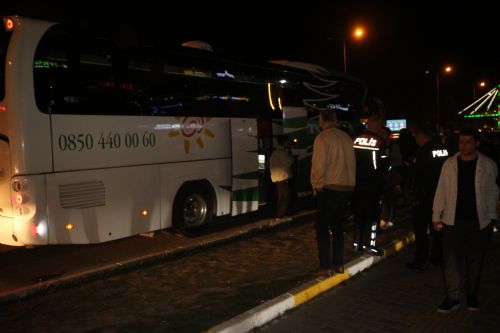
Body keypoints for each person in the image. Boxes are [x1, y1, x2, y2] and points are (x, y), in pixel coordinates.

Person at [432, 127, 498, 313]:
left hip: (480, 221)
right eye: (461, 142)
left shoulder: (488, 165)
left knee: (475, 260)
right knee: (451, 260)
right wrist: (436, 215)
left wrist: (492, 216)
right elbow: (441, 190)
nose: (464, 145)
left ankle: (471, 294)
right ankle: (453, 297)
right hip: (452, 220)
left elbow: (493, 192)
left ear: (477, 143)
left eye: (468, 142)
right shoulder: (449, 164)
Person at [310, 109, 355, 276]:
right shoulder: (346, 138)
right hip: (346, 188)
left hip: (330, 188)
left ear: (321, 121)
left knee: (321, 227)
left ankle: (325, 266)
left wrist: (317, 185)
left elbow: (319, 165)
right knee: (337, 227)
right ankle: (339, 264)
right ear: (335, 119)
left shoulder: (323, 138)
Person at [405, 126, 448, 270]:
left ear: (421, 136)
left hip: (424, 195)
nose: (415, 140)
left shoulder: (422, 152)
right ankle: (438, 257)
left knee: (421, 229)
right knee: (438, 227)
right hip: (441, 194)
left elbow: (415, 173)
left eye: (416, 137)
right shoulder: (443, 149)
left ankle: (421, 259)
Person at [352, 114, 389, 256]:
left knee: (359, 214)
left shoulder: (356, 139)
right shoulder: (380, 142)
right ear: (377, 126)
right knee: (372, 216)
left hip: (357, 183)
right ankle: (370, 244)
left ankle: (357, 244)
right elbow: (385, 165)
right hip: (373, 184)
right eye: (380, 127)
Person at [380, 127, 402, 230]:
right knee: (384, 197)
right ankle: (384, 218)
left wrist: (389, 166)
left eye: (384, 133)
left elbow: (398, 160)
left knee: (390, 198)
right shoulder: (380, 144)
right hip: (381, 175)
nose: (382, 134)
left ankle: (391, 219)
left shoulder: (393, 145)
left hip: (390, 175)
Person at [269, 135, 294, 218]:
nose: (289, 143)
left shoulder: (276, 152)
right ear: (284, 142)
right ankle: (281, 214)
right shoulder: (281, 153)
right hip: (282, 177)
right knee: (284, 197)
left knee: (281, 196)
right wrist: (290, 153)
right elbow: (289, 162)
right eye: (288, 141)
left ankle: (280, 213)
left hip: (278, 177)